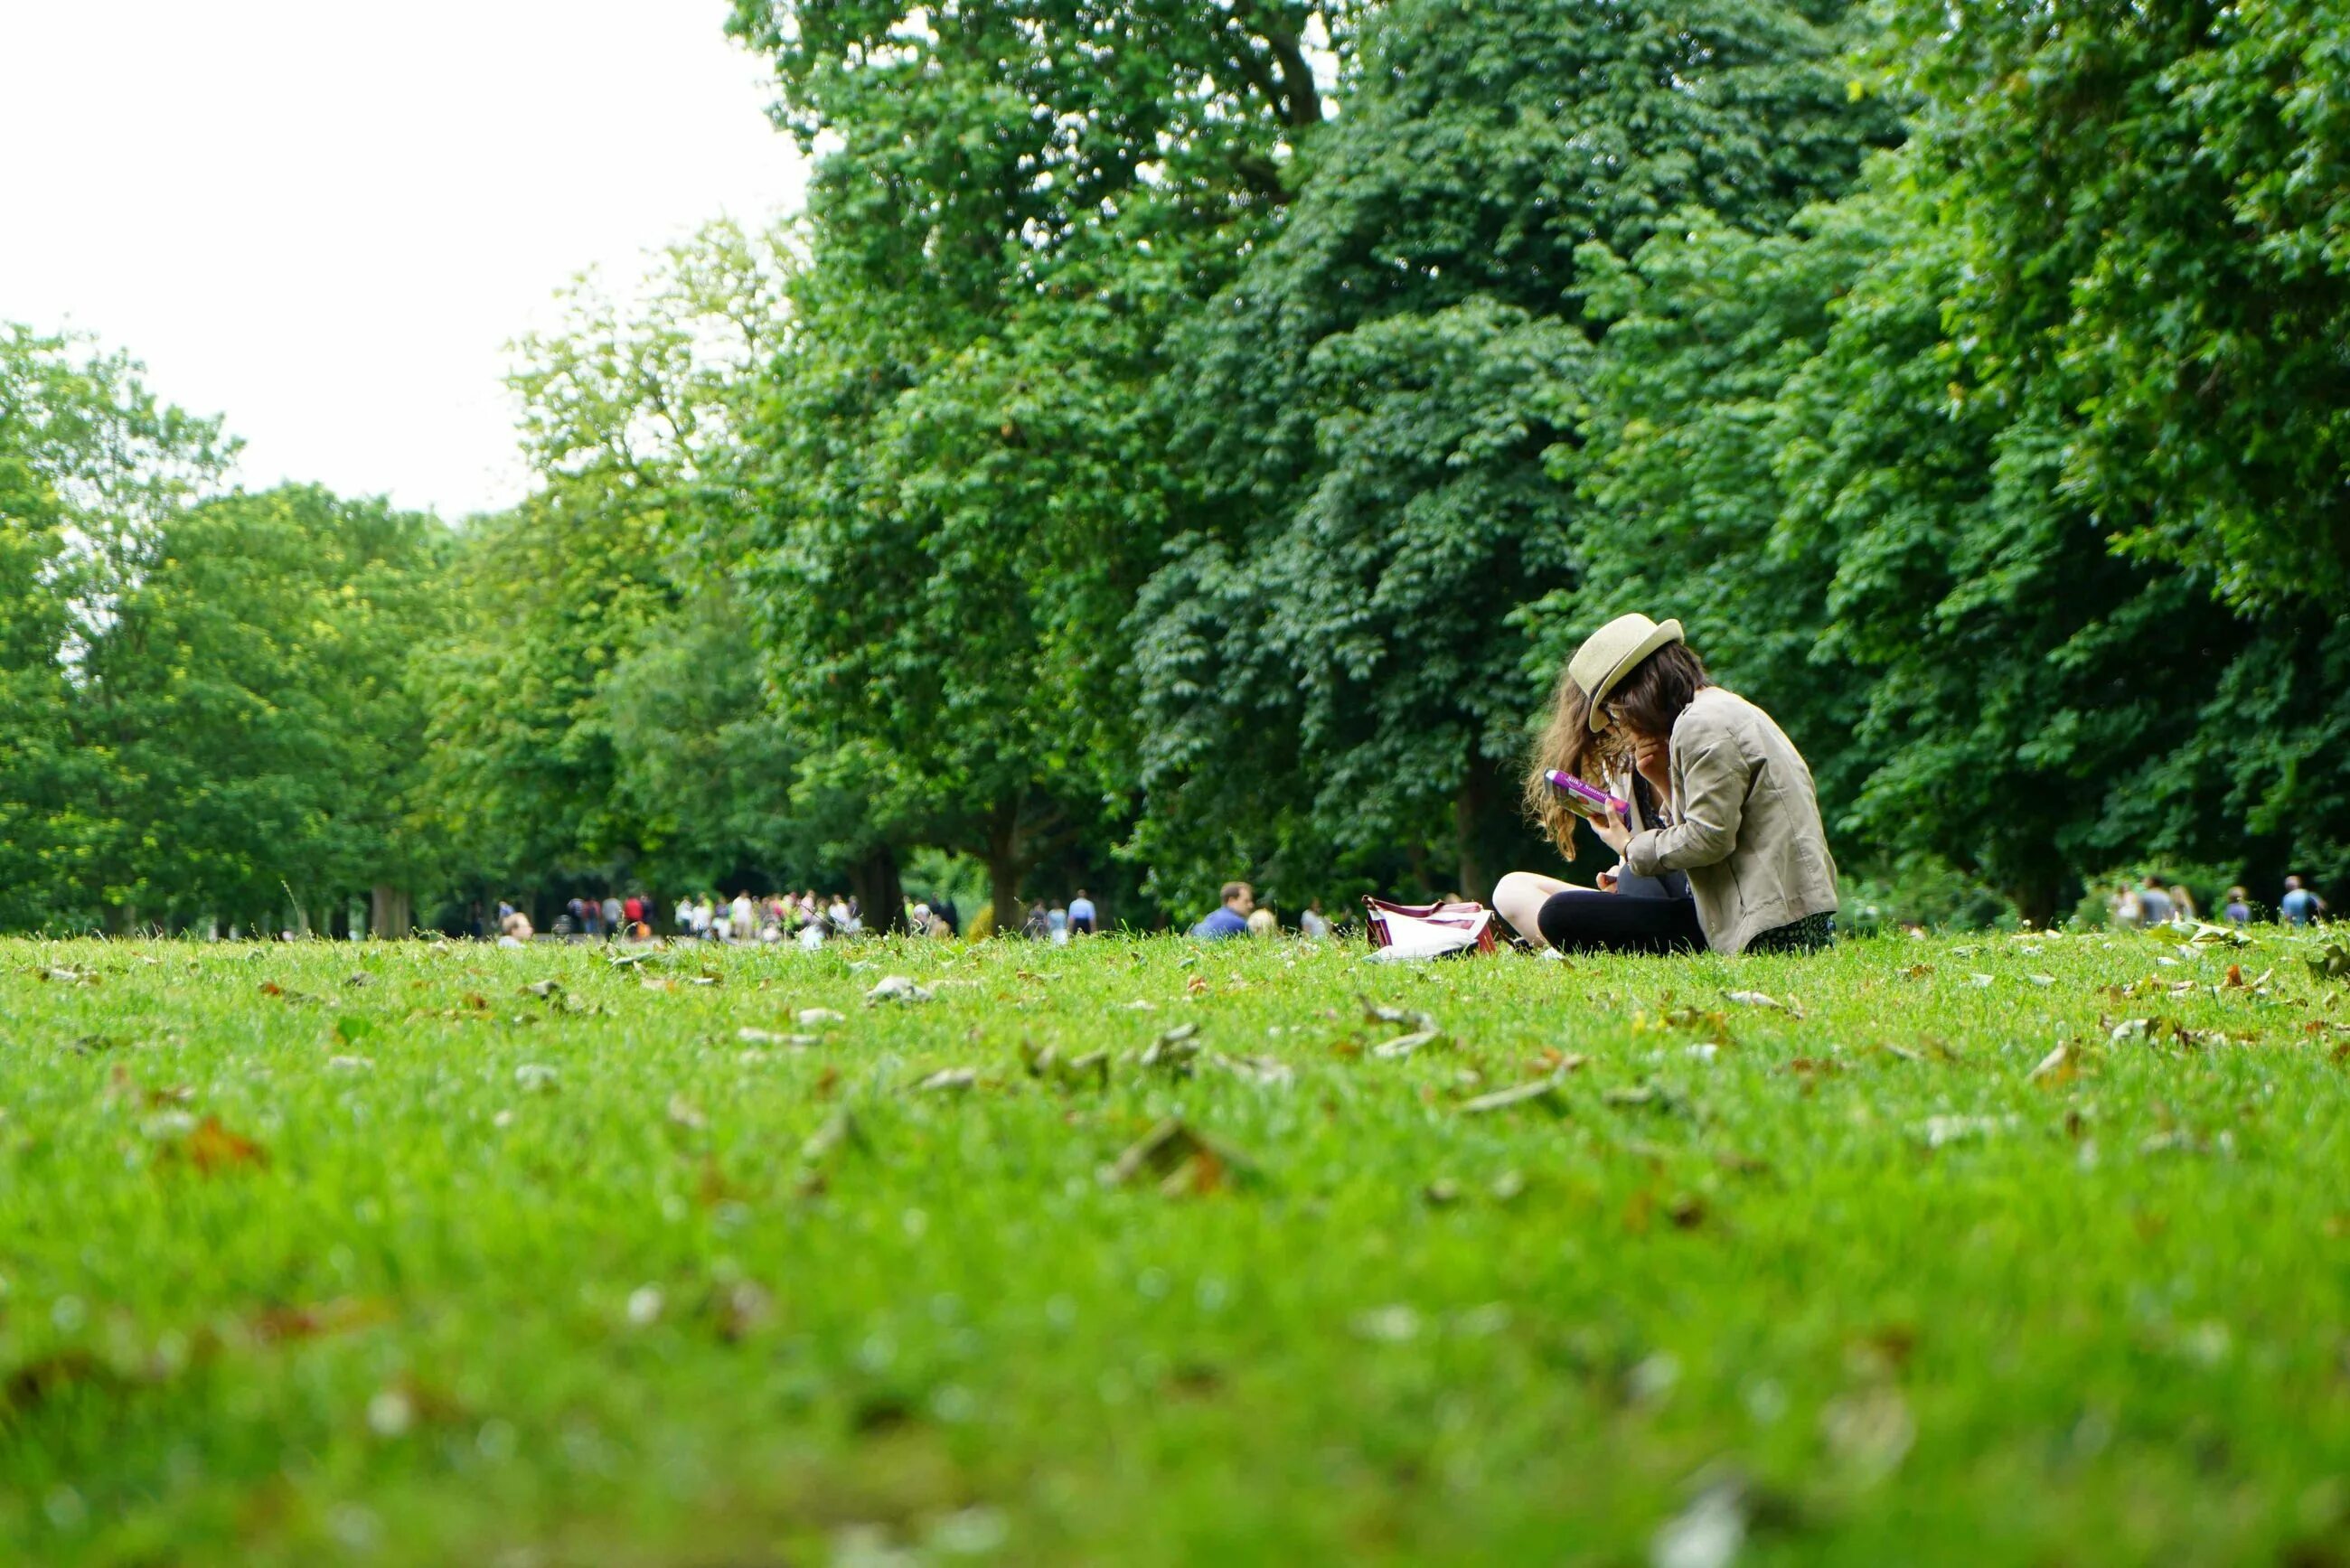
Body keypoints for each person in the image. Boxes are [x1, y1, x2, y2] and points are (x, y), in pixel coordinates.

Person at [1493, 614, 1838, 956]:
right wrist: (1659, 777)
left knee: (1559, 914)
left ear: (1637, 691)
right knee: (1628, 881)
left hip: (1769, 926)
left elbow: (1710, 839)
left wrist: (1629, 848)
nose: (1621, 725)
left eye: (1615, 712)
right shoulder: (1715, 710)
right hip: (1768, 912)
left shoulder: (1701, 725)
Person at [1191, 882, 1255, 940]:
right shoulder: (1239, 924)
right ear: (1231, 901)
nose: (1251, 905)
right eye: (1246, 901)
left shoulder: (1208, 919)